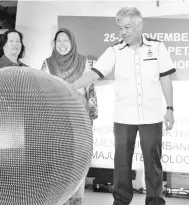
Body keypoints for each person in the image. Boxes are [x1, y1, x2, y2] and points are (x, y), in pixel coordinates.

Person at [70, 7, 175, 205]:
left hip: (151, 117)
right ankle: (121, 201)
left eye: (127, 27)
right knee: (121, 164)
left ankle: (155, 201)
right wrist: (71, 86)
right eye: (120, 28)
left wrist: (170, 108)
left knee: (153, 163)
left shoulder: (158, 47)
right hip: (123, 118)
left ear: (139, 25)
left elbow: (166, 78)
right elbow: (94, 74)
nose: (123, 32)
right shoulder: (114, 51)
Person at [41, 27, 98, 205]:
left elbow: (91, 93)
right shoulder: (47, 64)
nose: (63, 44)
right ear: (54, 44)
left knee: (76, 163)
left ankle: (75, 201)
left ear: (72, 43)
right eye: (59, 41)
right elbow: (40, 92)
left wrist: (90, 121)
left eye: (66, 41)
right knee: (56, 163)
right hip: (54, 125)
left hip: (78, 125)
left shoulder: (84, 62)